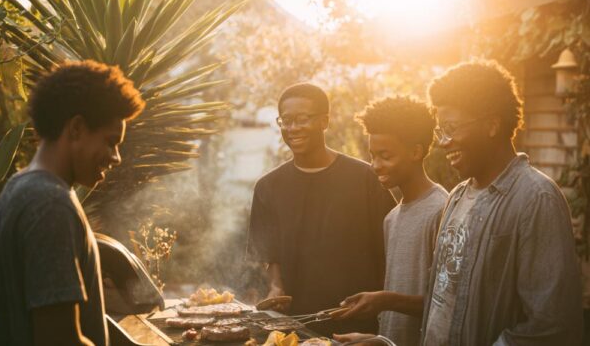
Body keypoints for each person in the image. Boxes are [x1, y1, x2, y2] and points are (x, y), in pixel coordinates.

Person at [421, 60, 583, 345]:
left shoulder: (536, 200)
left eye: (451, 127)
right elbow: (443, 302)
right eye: (440, 131)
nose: (444, 142)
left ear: (492, 125)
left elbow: (551, 326)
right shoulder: (457, 196)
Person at [0, 60, 145, 346]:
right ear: (76, 128)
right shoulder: (49, 205)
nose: (116, 157)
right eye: (111, 141)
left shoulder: (18, 188)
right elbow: (59, 339)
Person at [247, 83, 395, 336]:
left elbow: (390, 251)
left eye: (302, 119)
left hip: (358, 326)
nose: (293, 128)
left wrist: (382, 312)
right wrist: (276, 288)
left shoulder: (365, 178)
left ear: (324, 121)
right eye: (286, 120)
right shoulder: (268, 187)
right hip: (295, 327)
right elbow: (270, 255)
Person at [332, 96, 448, 346]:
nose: (375, 165)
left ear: (416, 152)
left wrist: (385, 300)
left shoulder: (443, 210)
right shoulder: (391, 218)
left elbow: (450, 303)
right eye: (372, 155)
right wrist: (376, 339)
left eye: (385, 156)